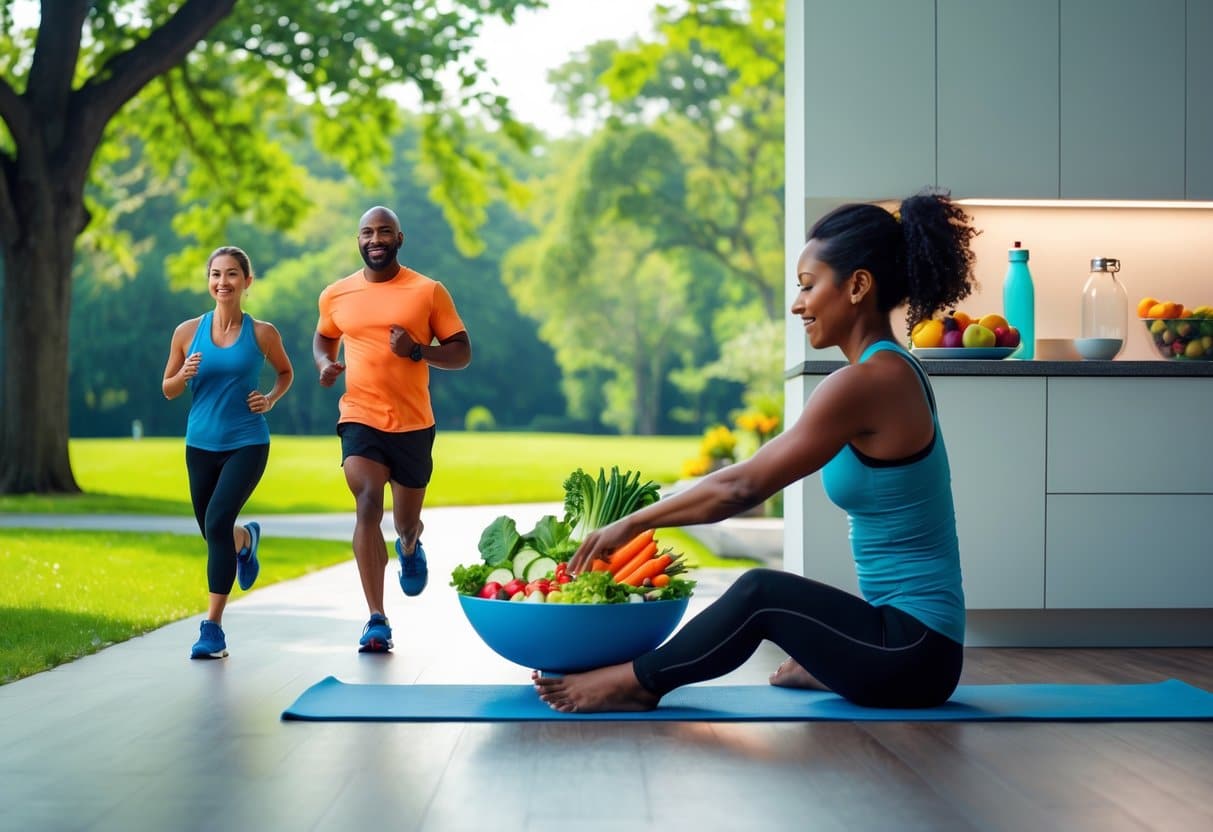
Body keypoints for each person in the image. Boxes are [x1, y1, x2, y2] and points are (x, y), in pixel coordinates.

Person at [534, 190, 978, 713]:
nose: (797, 304)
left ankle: (637, 683)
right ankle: (839, 667)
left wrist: (630, 523)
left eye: (809, 287)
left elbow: (741, 487)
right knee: (779, 599)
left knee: (761, 592)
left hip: (914, 653)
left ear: (857, 285)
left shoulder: (866, 382)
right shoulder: (895, 370)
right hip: (912, 643)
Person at [313, 205, 472, 653]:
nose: (375, 239)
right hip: (359, 415)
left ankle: (409, 542)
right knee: (367, 503)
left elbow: (461, 352)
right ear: (358, 240)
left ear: (399, 239)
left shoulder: (428, 291)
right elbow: (324, 335)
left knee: (403, 520)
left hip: (413, 424)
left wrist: (419, 350)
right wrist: (325, 363)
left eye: (384, 231)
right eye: (367, 232)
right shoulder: (336, 294)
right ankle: (376, 618)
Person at [162, 245, 294, 660]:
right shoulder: (187, 332)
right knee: (213, 531)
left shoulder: (263, 333)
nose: (223, 282)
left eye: (232, 274)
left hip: (247, 443)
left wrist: (270, 398)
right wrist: (183, 373)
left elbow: (285, 372)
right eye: (216, 274)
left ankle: (212, 629)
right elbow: (168, 389)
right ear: (209, 281)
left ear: (247, 282)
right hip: (199, 445)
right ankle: (245, 539)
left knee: (216, 521)